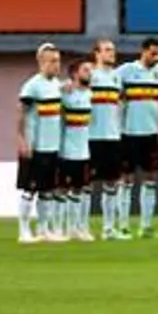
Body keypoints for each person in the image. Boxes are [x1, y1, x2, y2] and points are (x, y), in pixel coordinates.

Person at [115, 38, 158, 238]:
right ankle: (123, 225)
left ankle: (146, 226)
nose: (157, 57)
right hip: (128, 133)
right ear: (143, 51)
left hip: (151, 133)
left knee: (150, 179)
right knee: (126, 180)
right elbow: (110, 88)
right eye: (153, 53)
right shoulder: (126, 71)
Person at [15, 43, 66, 244]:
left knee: (47, 190)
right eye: (52, 61)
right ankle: (24, 231)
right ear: (41, 62)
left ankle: (44, 229)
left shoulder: (57, 85)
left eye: (58, 61)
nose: (57, 65)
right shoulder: (32, 86)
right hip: (35, 145)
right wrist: (21, 139)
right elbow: (20, 112)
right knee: (30, 189)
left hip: (52, 146)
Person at [87, 39, 126, 239]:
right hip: (91, 136)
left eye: (113, 50)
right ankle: (80, 227)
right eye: (107, 50)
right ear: (97, 53)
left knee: (112, 183)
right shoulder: (90, 75)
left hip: (112, 136)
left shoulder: (117, 78)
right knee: (85, 184)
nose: (112, 53)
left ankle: (109, 228)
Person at [59, 58, 96, 242]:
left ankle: (80, 227)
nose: (90, 73)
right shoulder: (65, 94)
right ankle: (62, 228)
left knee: (82, 189)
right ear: (75, 74)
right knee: (64, 190)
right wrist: (63, 84)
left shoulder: (91, 95)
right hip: (67, 150)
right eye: (86, 70)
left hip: (85, 151)